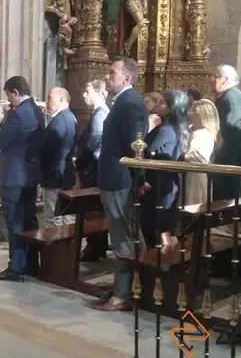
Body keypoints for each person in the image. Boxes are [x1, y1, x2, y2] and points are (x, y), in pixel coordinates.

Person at [92, 57, 148, 312]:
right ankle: (127, 289)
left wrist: (140, 179)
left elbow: (136, 147)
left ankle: (125, 294)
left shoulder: (130, 104)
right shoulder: (123, 102)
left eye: (112, 72)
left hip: (119, 180)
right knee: (123, 236)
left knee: (123, 237)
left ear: (126, 77)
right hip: (114, 178)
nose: (107, 76)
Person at [0, 76, 45, 282]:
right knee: (29, 220)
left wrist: (4, 120)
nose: (8, 100)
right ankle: (31, 264)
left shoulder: (17, 115)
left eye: (8, 95)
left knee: (14, 222)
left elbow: (0, 141)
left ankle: (16, 267)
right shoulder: (37, 111)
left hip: (14, 176)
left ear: (15, 92)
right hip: (30, 175)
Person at [138, 90, 187, 253]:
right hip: (166, 183)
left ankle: (159, 268)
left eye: (163, 102)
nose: (158, 104)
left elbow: (147, 149)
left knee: (157, 229)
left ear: (173, 108)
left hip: (160, 184)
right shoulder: (172, 127)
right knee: (162, 227)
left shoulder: (166, 129)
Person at [77, 80, 110, 261]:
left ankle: (93, 248)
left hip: (92, 170)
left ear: (98, 93)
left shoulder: (100, 114)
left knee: (92, 212)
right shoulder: (100, 112)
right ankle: (99, 246)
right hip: (94, 169)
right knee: (97, 210)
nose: (84, 95)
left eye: (87, 91)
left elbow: (95, 141)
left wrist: (80, 161)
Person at [210, 65, 241, 201]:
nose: (211, 79)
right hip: (234, 158)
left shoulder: (229, 98)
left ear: (225, 80)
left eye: (215, 76)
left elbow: (228, 129)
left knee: (225, 202)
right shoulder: (234, 96)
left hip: (230, 160)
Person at [40, 87, 78, 226]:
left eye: (50, 98)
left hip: (54, 174)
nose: (46, 101)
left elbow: (49, 149)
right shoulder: (70, 117)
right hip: (65, 173)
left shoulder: (59, 121)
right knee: (65, 217)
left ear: (61, 100)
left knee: (53, 216)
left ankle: (54, 247)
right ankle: (67, 247)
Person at [184, 99, 220, 205]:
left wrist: (180, 156)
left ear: (202, 116)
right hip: (190, 175)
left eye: (193, 112)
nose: (189, 114)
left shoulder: (203, 134)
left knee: (193, 204)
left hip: (196, 177)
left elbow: (196, 157)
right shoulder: (193, 131)